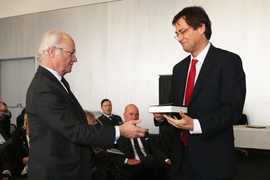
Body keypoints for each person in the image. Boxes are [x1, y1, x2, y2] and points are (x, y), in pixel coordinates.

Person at [25, 30, 148, 180]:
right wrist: (119, 131)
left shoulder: (56, 83)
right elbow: (75, 130)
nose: (75, 59)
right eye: (71, 53)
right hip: (55, 171)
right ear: (52, 52)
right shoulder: (43, 88)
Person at [154, 6, 246, 180]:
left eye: (183, 31)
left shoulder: (228, 61)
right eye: (177, 34)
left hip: (213, 161)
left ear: (201, 28)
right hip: (181, 160)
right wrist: (161, 116)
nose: (179, 38)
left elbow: (232, 109)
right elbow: (174, 105)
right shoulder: (179, 69)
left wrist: (196, 125)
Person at [108, 104, 170, 180]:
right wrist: (127, 161)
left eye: (137, 114)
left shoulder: (143, 132)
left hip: (149, 164)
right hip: (133, 167)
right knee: (151, 159)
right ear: (124, 115)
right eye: (131, 114)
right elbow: (110, 152)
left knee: (156, 162)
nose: (134, 117)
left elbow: (154, 149)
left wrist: (166, 159)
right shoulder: (119, 133)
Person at [11, 113, 29, 177]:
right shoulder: (19, 135)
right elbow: (16, 159)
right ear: (26, 120)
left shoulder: (42, 135)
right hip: (24, 169)